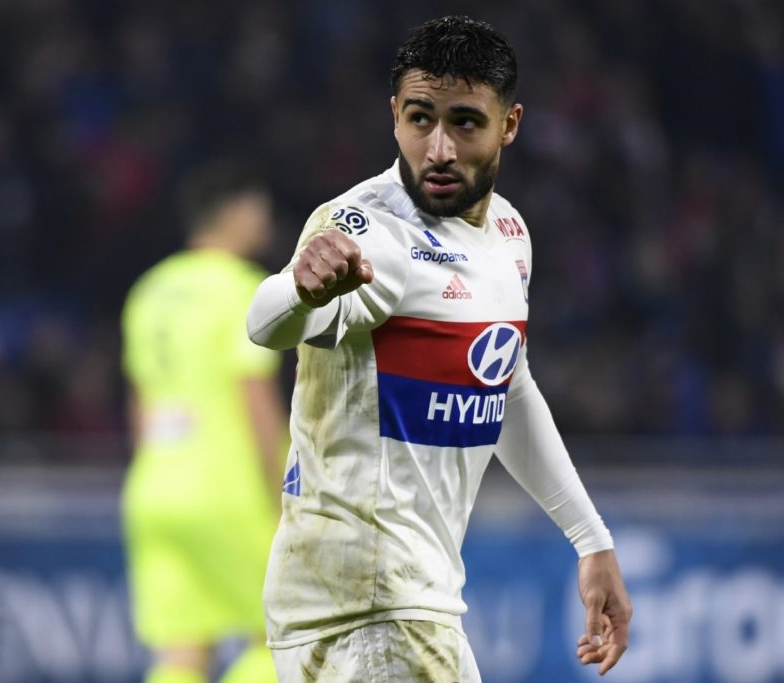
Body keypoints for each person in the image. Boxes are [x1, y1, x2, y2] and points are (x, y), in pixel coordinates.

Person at [246, 15, 632, 682]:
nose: (440, 148)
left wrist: (590, 538)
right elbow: (265, 324)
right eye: (420, 119)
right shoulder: (373, 230)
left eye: (465, 122)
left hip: (388, 604)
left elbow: (506, 390)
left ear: (509, 124)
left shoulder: (509, 234)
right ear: (394, 114)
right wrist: (301, 288)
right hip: (373, 603)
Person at [121, 161, 286, 683]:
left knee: (181, 656)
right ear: (234, 211)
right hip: (228, 489)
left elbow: (141, 404)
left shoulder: (150, 290)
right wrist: (285, 492)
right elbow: (253, 394)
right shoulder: (243, 289)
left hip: (155, 490)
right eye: (258, 205)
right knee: (280, 640)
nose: (266, 217)